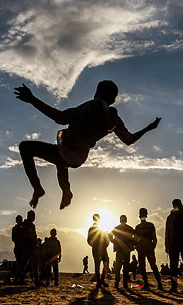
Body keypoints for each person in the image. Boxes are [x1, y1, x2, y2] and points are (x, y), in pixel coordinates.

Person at [14, 81, 161, 209]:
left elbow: (61, 118)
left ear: (98, 93)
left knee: (26, 147)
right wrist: (149, 128)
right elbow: (129, 140)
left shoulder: (92, 106)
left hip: (65, 151)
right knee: (62, 160)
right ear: (113, 100)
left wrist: (32, 99)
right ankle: (66, 192)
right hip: (79, 157)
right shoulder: (115, 120)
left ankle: (38, 188)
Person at [134, 207, 163, 290]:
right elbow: (136, 239)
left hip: (148, 249)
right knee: (144, 266)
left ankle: (158, 283)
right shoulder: (139, 227)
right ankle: (148, 283)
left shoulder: (148, 226)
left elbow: (154, 238)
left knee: (152, 266)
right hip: (143, 249)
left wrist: (152, 246)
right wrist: (137, 247)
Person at [165, 199, 183, 292]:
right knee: (173, 266)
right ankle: (174, 286)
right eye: (174, 204)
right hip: (173, 244)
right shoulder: (170, 218)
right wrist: (167, 245)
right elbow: (167, 232)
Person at [110, 215, 136, 289]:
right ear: (126, 220)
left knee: (118, 268)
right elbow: (136, 236)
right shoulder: (129, 228)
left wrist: (114, 241)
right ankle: (124, 284)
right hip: (126, 251)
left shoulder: (117, 228)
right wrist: (132, 244)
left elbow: (109, 236)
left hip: (119, 250)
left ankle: (117, 283)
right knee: (125, 268)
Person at [87, 214, 110, 288]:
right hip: (99, 249)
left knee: (102, 264)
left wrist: (104, 245)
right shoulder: (96, 228)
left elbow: (107, 239)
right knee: (99, 264)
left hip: (101, 249)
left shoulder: (99, 228)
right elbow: (89, 240)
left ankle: (101, 281)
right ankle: (100, 281)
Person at [7, 215, 24, 284]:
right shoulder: (15, 228)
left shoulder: (22, 228)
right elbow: (14, 239)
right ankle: (13, 277)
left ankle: (18, 278)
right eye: (19, 220)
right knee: (20, 264)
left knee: (21, 264)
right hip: (18, 248)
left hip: (21, 248)